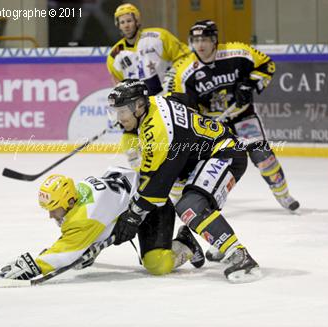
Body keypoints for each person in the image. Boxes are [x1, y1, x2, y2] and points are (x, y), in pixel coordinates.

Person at [107, 79, 262, 283]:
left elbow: (156, 185)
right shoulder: (154, 102)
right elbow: (183, 99)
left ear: (138, 106)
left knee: (190, 206)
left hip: (224, 153)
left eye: (122, 112)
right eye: (116, 112)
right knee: (191, 200)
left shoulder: (158, 130)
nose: (119, 119)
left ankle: (240, 255)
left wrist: (134, 215)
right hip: (197, 159)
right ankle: (207, 241)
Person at [0, 166, 204, 286]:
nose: (51, 215)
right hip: (134, 203)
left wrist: (35, 265)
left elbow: (66, 253)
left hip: (152, 207)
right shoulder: (79, 190)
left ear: (69, 201)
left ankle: (185, 243)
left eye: (54, 208)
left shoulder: (85, 216)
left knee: (156, 264)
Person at [169, 20, 300, 214]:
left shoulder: (237, 52)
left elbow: (267, 65)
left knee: (264, 157)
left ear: (214, 40)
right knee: (200, 162)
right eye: (196, 40)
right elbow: (182, 105)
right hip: (212, 125)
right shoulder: (184, 70)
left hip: (242, 116)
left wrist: (249, 84)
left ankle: (284, 195)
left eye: (205, 39)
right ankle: (188, 199)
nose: (200, 45)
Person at [106, 3, 190, 170]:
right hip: (138, 103)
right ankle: (141, 172)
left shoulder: (158, 37)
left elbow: (185, 56)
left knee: (169, 137)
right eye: (122, 22)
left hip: (165, 98)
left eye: (129, 20)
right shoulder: (115, 54)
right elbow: (118, 84)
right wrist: (121, 108)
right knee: (130, 133)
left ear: (137, 21)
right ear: (118, 25)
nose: (126, 25)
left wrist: (173, 76)